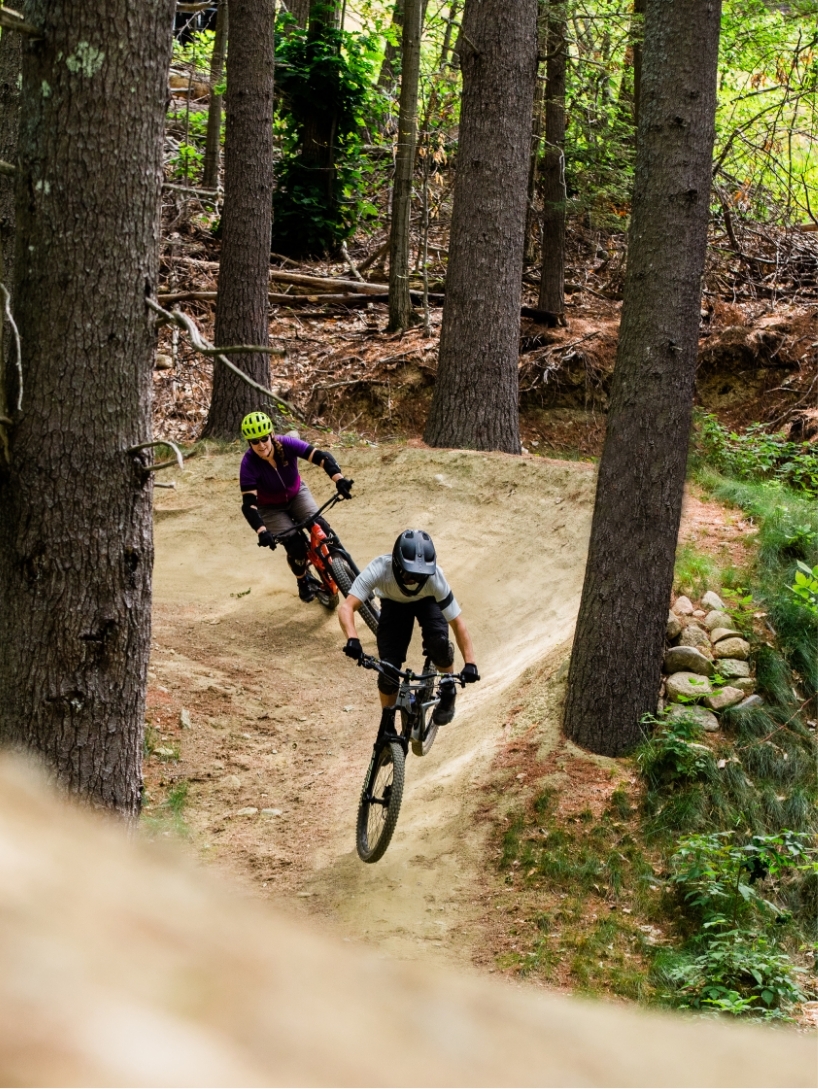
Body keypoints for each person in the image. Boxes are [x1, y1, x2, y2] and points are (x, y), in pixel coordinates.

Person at [338, 528, 479, 729]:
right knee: (388, 670)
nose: (414, 579)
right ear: (396, 563)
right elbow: (347, 607)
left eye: (420, 576)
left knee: (438, 643)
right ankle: (387, 722)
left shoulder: (434, 578)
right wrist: (353, 639)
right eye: (409, 573)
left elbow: (458, 624)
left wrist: (470, 663)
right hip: (393, 605)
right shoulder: (379, 568)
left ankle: (448, 689)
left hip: (427, 601)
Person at [239, 411, 353, 602]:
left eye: (264, 438)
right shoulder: (248, 464)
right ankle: (302, 580)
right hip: (270, 509)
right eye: (254, 441)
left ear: (271, 435)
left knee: (322, 527)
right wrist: (261, 531)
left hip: (296, 493)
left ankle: (344, 565)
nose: (261, 445)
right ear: (249, 443)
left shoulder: (287, 444)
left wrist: (339, 480)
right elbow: (249, 505)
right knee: (296, 547)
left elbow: (321, 457)